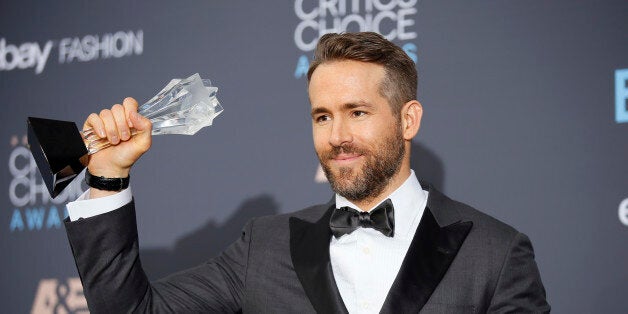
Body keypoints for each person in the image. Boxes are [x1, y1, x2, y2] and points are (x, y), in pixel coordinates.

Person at [64, 32, 550, 313]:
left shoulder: (495, 254)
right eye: (322, 116)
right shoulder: (264, 247)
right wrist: (107, 176)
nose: (336, 135)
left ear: (408, 120)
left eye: (357, 112)